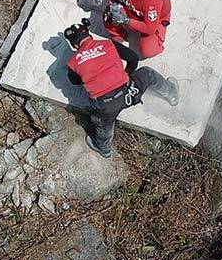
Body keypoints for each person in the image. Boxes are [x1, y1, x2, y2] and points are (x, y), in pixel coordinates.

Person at [64, 19, 179, 157]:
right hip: (128, 93)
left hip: (104, 106)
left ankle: (103, 148)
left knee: (102, 125)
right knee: (148, 73)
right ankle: (171, 93)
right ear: (88, 34)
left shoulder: (72, 62)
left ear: (75, 45)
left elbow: (74, 81)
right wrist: (125, 74)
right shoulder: (107, 44)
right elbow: (133, 58)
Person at [102, 0, 170, 59]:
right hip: (133, 9)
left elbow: (150, 29)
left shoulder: (152, 1)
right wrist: (112, 4)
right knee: (110, 15)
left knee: (148, 51)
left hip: (155, 18)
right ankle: (118, 34)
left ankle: (158, 37)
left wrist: (125, 20)